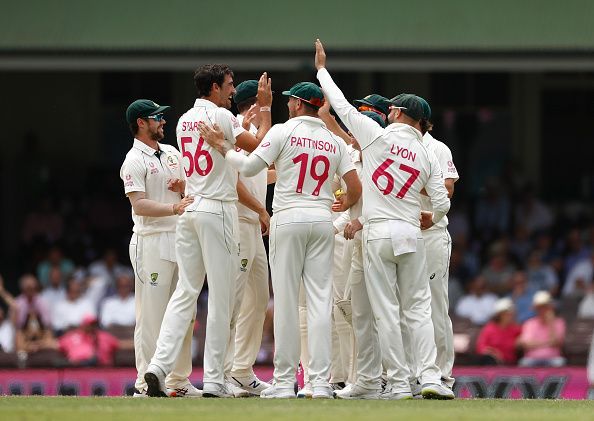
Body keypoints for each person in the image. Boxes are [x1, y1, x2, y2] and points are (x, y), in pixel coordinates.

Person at [200, 80, 361, 399]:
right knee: (319, 302)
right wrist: (341, 210)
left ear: (299, 104)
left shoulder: (282, 132)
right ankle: (319, 383)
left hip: (288, 218)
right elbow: (354, 188)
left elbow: (247, 167)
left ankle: (287, 382)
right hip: (320, 219)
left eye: (291, 101)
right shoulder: (334, 141)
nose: (288, 104)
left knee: (287, 301)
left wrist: (222, 146)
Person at [314, 39, 453, 400]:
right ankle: (431, 379)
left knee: (387, 311)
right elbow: (442, 202)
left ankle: (400, 384)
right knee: (419, 308)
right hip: (411, 232)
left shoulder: (375, 138)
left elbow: (341, 106)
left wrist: (322, 70)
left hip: (377, 233)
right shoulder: (427, 153)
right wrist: (431, 216)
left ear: (395, 114)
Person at [144, 66, 273, 399]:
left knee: (186, 292)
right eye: (229, 85)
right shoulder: (223, 116)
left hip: (191, 207)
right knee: (221, 296)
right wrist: (266, 108)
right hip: (218, 209)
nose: (232, 91)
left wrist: (238, 126)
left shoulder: (184, 119)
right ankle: (215, 380)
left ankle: (158, 366)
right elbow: (259, 149)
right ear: (215, 87)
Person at [120, 98, 197, 397]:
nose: (163, 122)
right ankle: (145, 382)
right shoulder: (133, 160)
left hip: (179, 238)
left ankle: (178, 380)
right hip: (150, 241)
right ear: (141, 122)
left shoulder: (173, 154)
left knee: (184, 312)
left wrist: (184, 189)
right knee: (152, 315)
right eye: (157, 118)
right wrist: (175, 207)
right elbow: (139, 205)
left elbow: (193, 188)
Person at [224, 80, 273, 396]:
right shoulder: (238, 134)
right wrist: (261, 210)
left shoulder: (253, 135)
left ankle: (242, 371)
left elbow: (259, 172)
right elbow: (236, 185)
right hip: (239, 224)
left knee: (257, 301)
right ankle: (225, 372)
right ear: (252, 103)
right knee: (235, 301)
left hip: (254, 227)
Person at [417, 119, 460, 390]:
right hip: (405, 232)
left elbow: (447, 190)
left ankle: (442, 374)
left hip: (432, 231)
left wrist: (408, 183)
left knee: (435, 305)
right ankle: (415, 373)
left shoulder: (438, 148)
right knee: (408, 307)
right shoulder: (398, 147)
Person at [57, 314, 133, 367]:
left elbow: (121, 345)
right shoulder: (72, 336)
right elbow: (56, 345)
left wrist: (141, 345)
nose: (92, 327)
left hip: (102, 370)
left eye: (94, 324)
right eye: (90, 324)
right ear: (83, 325)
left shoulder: (104, 336)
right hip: (76, 369)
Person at [517, 291, 566, 367]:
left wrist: (551, 324)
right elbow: (526, 344)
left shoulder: (559, 322)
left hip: (553, 359)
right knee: (524, 363)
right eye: (539, 307)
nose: (542, 310)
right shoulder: (529, 323)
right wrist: (547, 343)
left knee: (559, 362)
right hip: (531, 359)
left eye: (545, 307)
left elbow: (556, 343)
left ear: (550, 308)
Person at [475, 298, 521, 365]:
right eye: (507, 314)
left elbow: (523, 341)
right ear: (499, 315)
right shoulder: (489, 328)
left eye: (511, 314)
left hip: (509, 363)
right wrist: (493, 353)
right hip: (491, 362)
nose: (510, 316)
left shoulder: (516, 329)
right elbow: (480, 347)